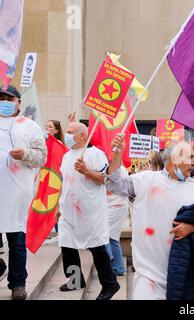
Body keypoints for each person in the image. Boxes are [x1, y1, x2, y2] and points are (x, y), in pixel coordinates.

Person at [106, 136, 194, 299]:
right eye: (190, 157)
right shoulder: (147, 180)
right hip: (148, 275)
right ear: (174, 159)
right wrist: (117, 156)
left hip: (183, 273)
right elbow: (115, 184)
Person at [58, 122, 120, 300]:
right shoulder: (67, 156)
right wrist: (58, 207)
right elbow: (66, 182)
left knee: (97, 247)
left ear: (82, 135)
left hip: (90, 211)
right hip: (69, 210)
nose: (67, 135)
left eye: (70, 132)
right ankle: (75, 279)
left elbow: (105, 179)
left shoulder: (95, 154)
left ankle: (110, 284)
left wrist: (86, 170)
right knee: (67, 244)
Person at [0, 85, 47, 300]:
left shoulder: (30, 126)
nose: (5, 102)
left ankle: (18, 284)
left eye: (9, 98)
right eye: (1, 98)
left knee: (16, 240)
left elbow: (42, 156)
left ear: (18, 101)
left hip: (17, 193)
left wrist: (26, 154)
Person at [105, 166, 129, 276]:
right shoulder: (114, 168)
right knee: (112, 237)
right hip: (113, 205)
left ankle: (108, 259)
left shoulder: (118, 169)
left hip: (116, 205)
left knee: (104, 234)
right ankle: (118, 267)